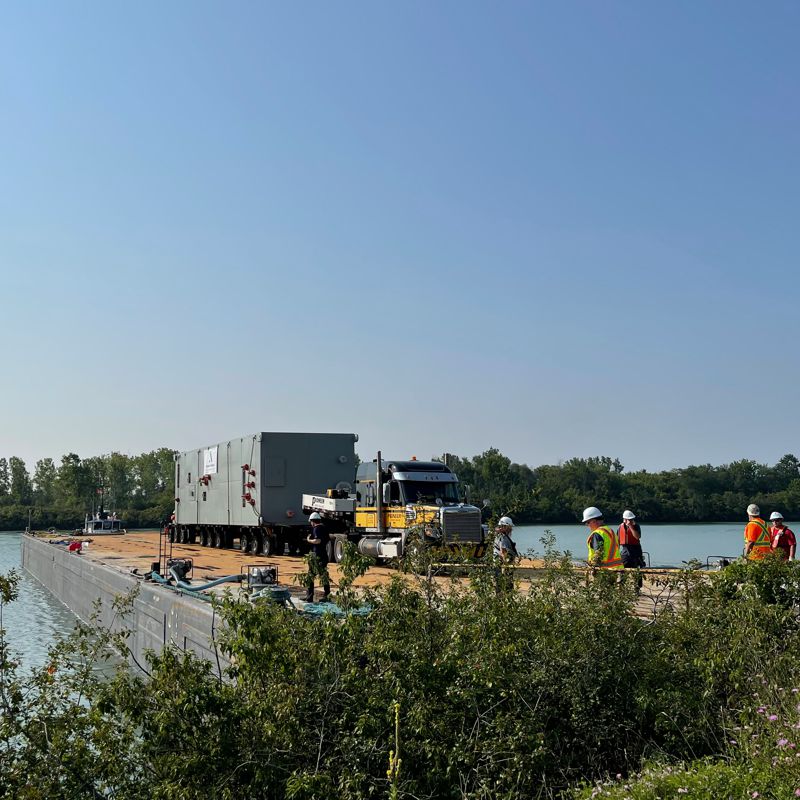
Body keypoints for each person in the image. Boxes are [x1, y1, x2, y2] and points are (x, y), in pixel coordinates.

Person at [303, 512, 331, 602]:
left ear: (312, 521)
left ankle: (309, 597)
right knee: (324, 576)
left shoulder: (316, 529)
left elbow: (317, 540)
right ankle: (327, 595)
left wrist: (309, 540)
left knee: (310, 576)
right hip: (323, 555)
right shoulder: (324, 528)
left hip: (317, 556)